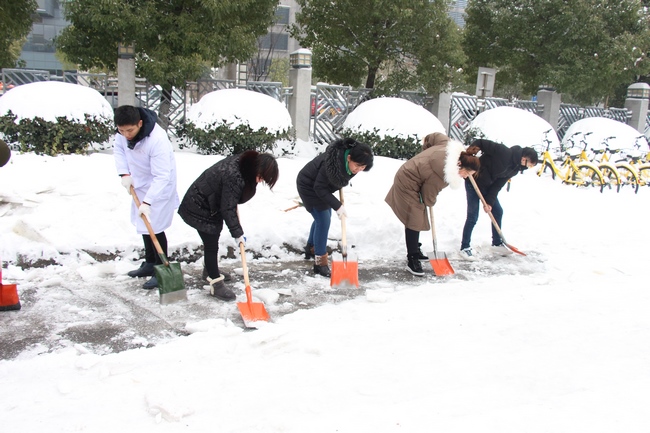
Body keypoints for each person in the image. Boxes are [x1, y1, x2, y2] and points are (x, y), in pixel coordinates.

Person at [178, 150, 279, 301]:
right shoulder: (235, 175)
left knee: (212, 240)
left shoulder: (245, 165)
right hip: (199, 204)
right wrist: (237, 233)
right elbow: (228, 208)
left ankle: (209, 270)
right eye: (261, 177)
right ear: (257, 168)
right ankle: (215, 283)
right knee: (211, 242)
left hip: (209, 201)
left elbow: (230, 200)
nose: (260, 181)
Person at [385, 132, 480, 276]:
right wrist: (430, 201)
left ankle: (415, 249)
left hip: (410, 172)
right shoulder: (442, 175)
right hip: (407, 181)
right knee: (414, 219)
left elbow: (435, 136)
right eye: (466, 173)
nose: (466, 177)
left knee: (416, 215)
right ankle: (412, 259)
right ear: (459, 164)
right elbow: (428, 196)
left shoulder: (448, 146)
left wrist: (425, 152)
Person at [113, 105, 180, 289]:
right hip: (140, 182)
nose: (126, 134)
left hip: (160, 187)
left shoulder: (157, 139)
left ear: (140, 123)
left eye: (130, 130)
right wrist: (124, 174)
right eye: (122, 130)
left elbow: (162, 176)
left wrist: (148, 201)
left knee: (155, 226)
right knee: (144, 224)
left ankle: (161, 269)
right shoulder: (122, 133)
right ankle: (150, 263)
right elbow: (119, 150)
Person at [296, 137, 374, 277]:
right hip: (308, 185)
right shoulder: (331, 164)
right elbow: (319, 187)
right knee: (323, 220)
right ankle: (320, 263)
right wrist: (337, 205)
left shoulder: (349, 162)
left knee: (323, 217)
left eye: (362, 168)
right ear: (349, 158)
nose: (359, 170)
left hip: (322, 186)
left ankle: (311, 247)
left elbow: (335, 180)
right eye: (357, 166)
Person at [459, 138, 538, 259]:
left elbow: (497, 186)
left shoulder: (514, 169)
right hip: (473, 181)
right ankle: (465, 247)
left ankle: (496, 243)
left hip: (487, 187)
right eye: (530, 165)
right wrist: (469, 157)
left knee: (498, 211)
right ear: (524, 159)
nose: (528, 168)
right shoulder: (503, 152)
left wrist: (489, 202)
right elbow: (480, 143)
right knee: (473, 216)